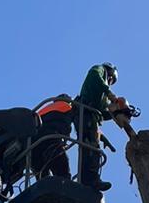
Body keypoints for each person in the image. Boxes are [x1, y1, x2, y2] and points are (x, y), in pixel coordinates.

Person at [74, 63, 120, 191]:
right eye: (111, 79)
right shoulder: (99, 70)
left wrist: (115, 112)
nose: (110, 82)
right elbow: (94, 76)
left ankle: (87, 180)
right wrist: (109, 92)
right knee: (91, 149)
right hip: (85, 112)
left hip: (91, 117)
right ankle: (90, 180)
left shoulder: (103, 96)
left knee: (91, 149)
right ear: (109, 73)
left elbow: (103, 114)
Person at [32, 94, 74, 182]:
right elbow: (66, 126)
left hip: (33, 143)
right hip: (50, 138)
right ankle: (65, 184)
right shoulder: (67, 106)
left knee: (42, 175)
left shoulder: (44, 108)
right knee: (61, 167)